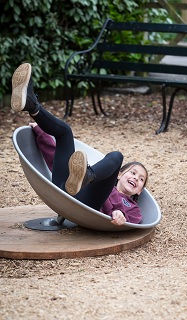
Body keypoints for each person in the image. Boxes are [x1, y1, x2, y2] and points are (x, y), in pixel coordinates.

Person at [11, 63, 148, 226]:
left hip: (87, 203)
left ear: (140, 191)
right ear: (118, 174)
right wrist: (41, 134)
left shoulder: (132, 207)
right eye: (132, 173)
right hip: (64, 189)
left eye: (141, 179)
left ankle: (86, 177)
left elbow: (134, 221)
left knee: (117, 156)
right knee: (65, 133)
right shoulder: (99, 175)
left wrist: (119, 214)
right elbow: (56, 158)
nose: (135, 178)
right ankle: (31, 104)